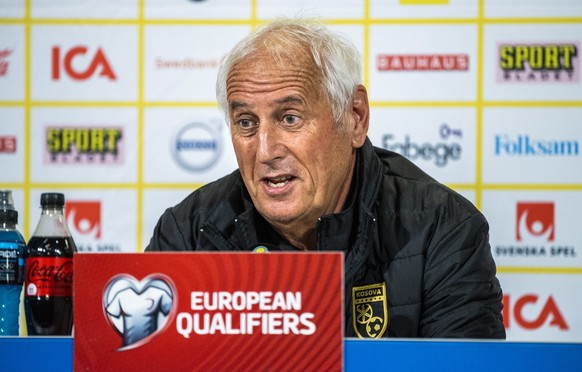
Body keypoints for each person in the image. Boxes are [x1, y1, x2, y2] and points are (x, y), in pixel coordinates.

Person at [146, 18, 505, 339]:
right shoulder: (189, 231)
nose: (266, 151)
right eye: (246, 123)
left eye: (289, 118)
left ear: (355, 118)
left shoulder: (444, 228)